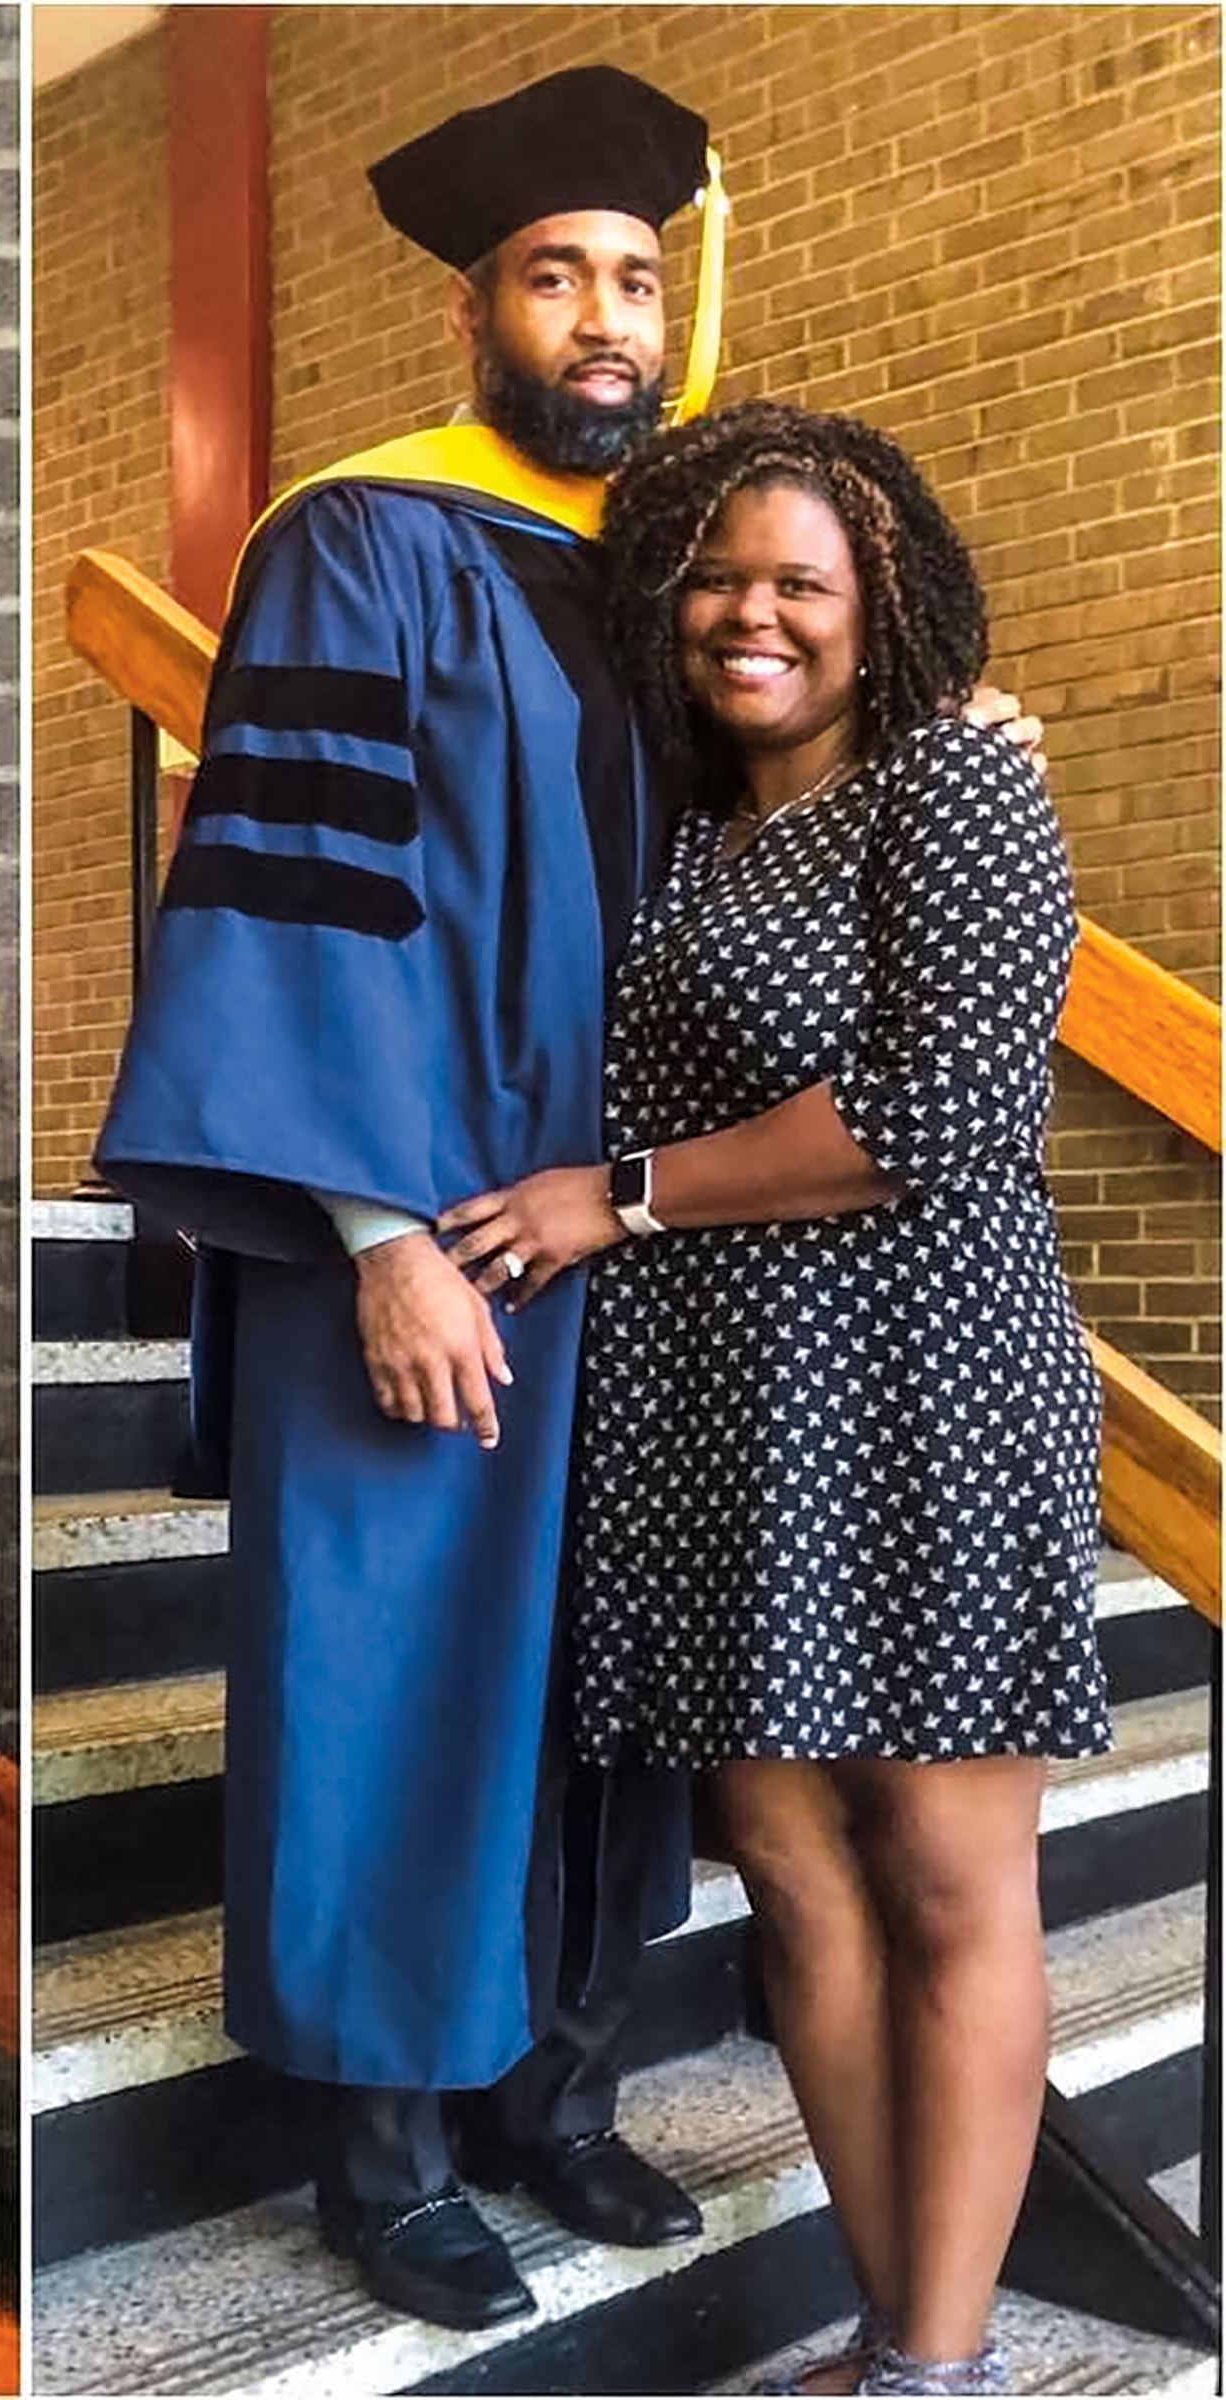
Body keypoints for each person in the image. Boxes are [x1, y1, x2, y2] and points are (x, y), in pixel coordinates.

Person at [94, 66, 721, 2331]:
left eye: (635, 278)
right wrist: (369, 1235)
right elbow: (286, 908)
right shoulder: (360, 542)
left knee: (590, 1687)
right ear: (480, 311)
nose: (602, 320)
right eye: (554, 277)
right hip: (430, 1232)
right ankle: (382, 2153)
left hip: (621, 1244)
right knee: (390, 1671)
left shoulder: (668, 580)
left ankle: (557, 2096)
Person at [439, 402, 1107, 2399]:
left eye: (799, 581)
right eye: (717, 574)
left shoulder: (952, 786)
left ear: (878, 602)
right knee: (792, 1865)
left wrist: (615, 1196)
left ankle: (940, 2362)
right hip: (724, 1406)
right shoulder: (677, 823)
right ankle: (910, 2331)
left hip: (926, 1382)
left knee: (943, 1869)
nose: (752, 613)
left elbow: (944, 1107)